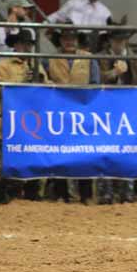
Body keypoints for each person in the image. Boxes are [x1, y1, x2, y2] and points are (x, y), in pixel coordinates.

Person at [47, 25, 101, 204]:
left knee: (84, 153)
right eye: (65, 38)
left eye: (72, 38)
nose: (69, 41)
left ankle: (85, 194)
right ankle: (62, 193)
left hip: (82, 113)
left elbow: (95, 84)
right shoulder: (51, 60)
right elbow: (44, 82)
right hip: (59, 114)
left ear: (77, 40)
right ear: (60, 40)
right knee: (60, 153)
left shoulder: (89, 58)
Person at [0, 28, 49, 202]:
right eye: (23, 44)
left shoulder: (35, 64)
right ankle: (5, 191)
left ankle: (31, 190)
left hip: (31, 120)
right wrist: (22, 82)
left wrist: (41, 81)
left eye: (29, 44)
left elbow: (46, 86)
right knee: (8, 157)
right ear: (16, 45)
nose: (26, 47)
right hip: (10, 119)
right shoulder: (2, 65)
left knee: (32, 154)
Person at [97, 29, 137, 203]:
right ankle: (106, 191)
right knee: (105, 148)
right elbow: (97, 79)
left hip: (129, 111)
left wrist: (136, 94)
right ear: (110, 41)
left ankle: (127, 190)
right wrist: (114, 74)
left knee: (128, 150)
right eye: (115, 40)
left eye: (121, 41)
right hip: (106, 111)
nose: (118, 44)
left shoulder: (135, 59)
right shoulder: (102, 58)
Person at [0, 0, 34, 81]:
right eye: (24, 8)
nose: (27, 11)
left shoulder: (28, 31)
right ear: (14, 9)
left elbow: (31, 58)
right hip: (0, 77)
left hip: (21, 79)